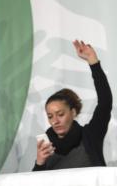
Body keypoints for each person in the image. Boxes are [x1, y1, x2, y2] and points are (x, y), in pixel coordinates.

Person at [33, 40, 112, 171]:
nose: (55, 121)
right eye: (50, 116)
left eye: (60, 114)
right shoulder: (47, 146)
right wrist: (39, 163)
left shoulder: (90, 136)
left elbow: (105, 102)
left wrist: (93, 62)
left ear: (73, 112)